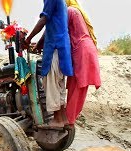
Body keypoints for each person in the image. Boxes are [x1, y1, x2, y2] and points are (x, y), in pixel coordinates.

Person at [24, 0, 73, 128]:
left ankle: (57, 119)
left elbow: (44, 19)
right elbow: (49, 27)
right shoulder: (62, 2)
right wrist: (39, 44)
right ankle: (62, 118)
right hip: (61, 48)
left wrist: (28, 39)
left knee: (51, 84)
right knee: (59, 84)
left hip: (55, 47)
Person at [65, 0, 101, 125]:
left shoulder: (70, 11)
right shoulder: (78, 11)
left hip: (82, 50)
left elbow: (61, 32)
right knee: (80, 86)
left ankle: (68, 119)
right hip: (88, 48)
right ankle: (71, 117)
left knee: (76, 85)